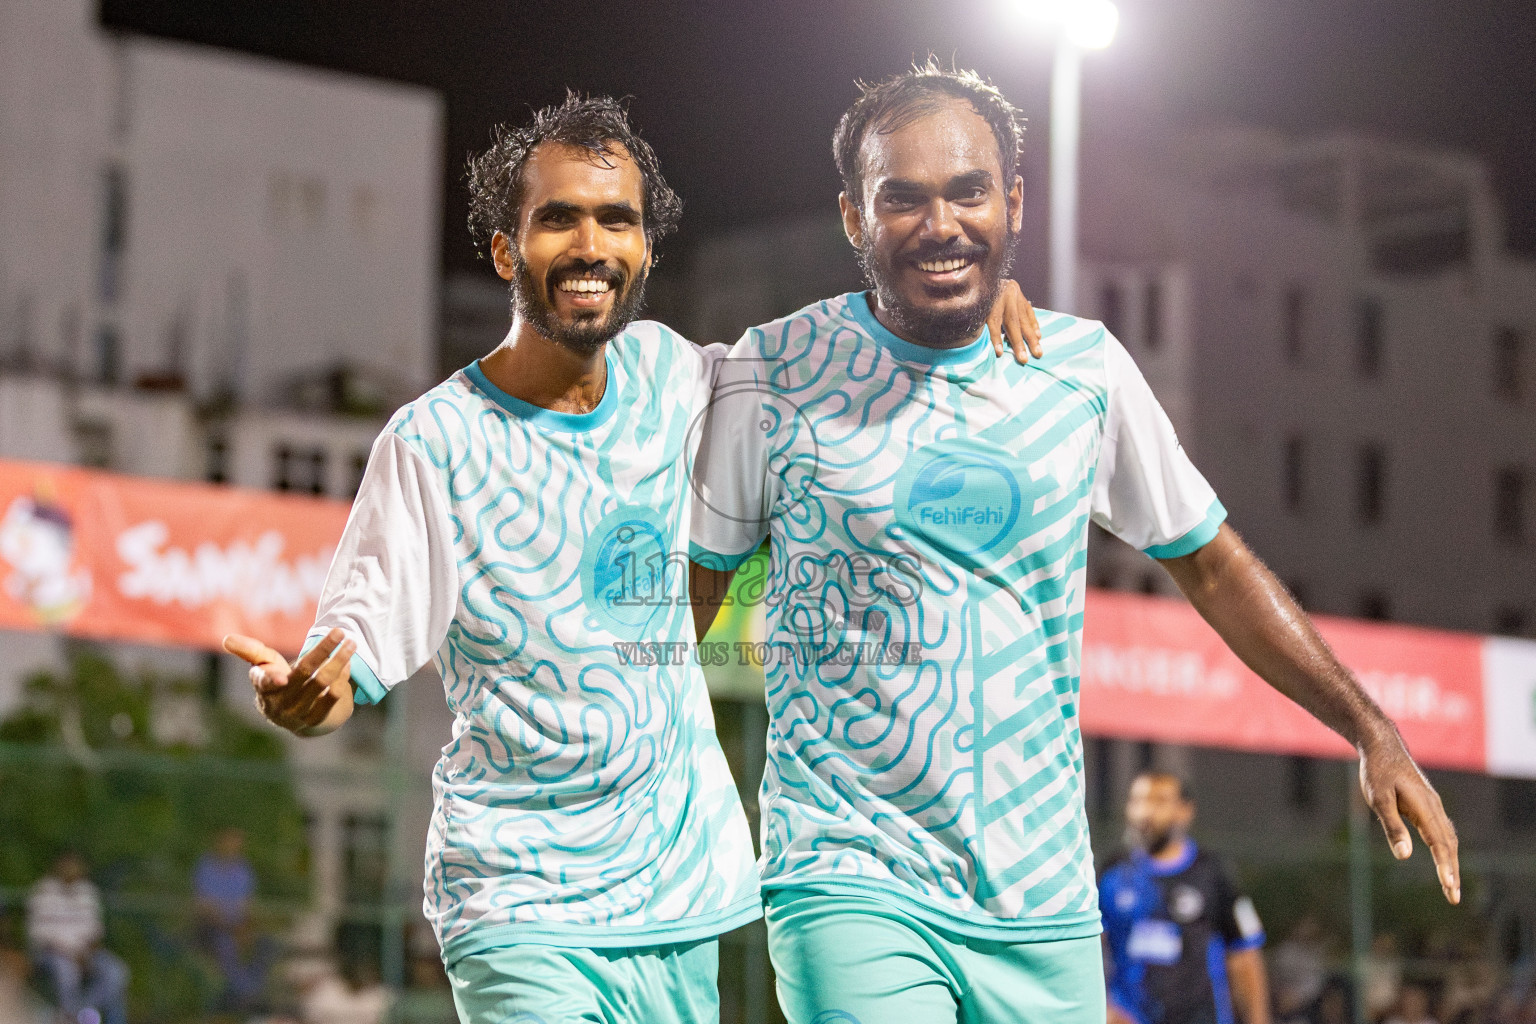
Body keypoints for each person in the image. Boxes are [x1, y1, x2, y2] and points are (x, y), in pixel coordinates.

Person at [221, 90, 1049, 1024]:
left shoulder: (682, 378)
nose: (589, 244)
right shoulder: (434, 443)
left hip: (679, 896)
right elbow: (357, 640)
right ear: (505, 251)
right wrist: (309, 695)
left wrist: (965, 292)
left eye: (617, 219)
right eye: (556, 219)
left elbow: (839, 362)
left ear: (646, 251)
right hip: (517, 904)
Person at [688, 62, 1461, 1024]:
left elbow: (1214, 566)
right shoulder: (772, 370)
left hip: (1044, 899)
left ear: (1012, 203)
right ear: (854, 216)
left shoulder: (1082, 371)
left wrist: (1369, 727)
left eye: (969, 191)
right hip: (848, 875)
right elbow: (699, 583)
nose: (942, 223)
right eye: (904, 198)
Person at [1099, 772, 1269, 1024]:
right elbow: (1090, 949)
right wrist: (1105, 1008)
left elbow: (1244, 955)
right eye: (1138, 801)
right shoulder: (1111, 873)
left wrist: (1258, 1019)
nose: (1146, 812)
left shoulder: (1213, 873)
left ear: (1185, 810)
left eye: (1159, 801)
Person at [26, 851, 129, 1024]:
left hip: (85, 953)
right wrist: (70, 954)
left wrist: (85, 954)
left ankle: (77, 1014)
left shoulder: (87, 892)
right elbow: (40, 936)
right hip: (54, 954)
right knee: (66, 971)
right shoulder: (43, 891)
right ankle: (72, 1016)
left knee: (116, 972)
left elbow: (95, 932)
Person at [193, 827, 273, 1012]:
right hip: (212, 927)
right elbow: (204, 906)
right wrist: (230, 927)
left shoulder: (244, 869)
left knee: (266, 945)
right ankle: (242, 998)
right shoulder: (206, 867)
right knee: (226, 946)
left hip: (239, 926)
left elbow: (247, 905)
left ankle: (248, 994)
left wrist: (246, 927)